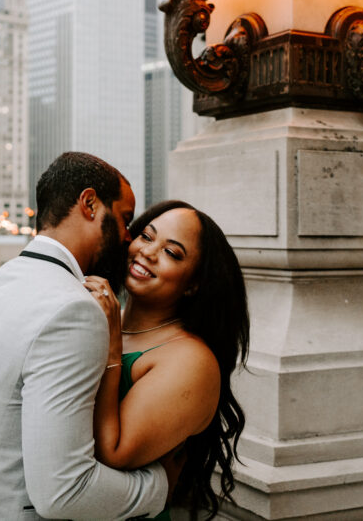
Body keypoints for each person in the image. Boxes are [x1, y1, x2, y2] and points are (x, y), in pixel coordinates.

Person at [0, 152, 178, 520]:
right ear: (89, 204)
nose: (127, 237)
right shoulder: (73, 310)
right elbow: (63, 492)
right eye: (123, 219)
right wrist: (158, 487)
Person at [84, 200, 249, 520]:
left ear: (194, 284)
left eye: (172, 253)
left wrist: (111, 349)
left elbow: (113, 453)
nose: (147, 251)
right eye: (146, 237)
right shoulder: (105, 320)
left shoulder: (191, 360)